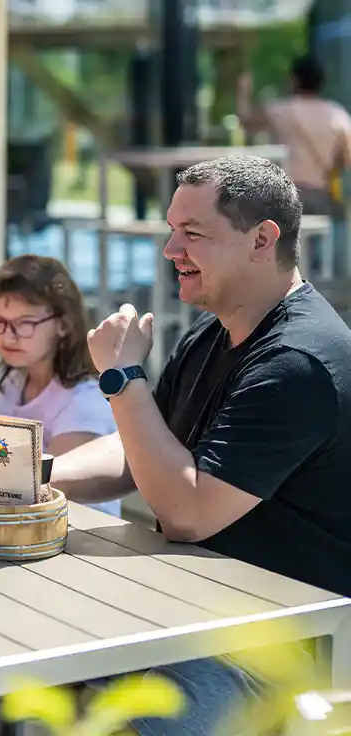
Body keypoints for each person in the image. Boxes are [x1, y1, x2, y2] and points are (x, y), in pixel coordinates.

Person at [53, 155, 351, 735]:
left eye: (192, 233)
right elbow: (144, 450)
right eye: (171, 230)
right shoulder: (215, 331)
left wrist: (122, 378)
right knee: (16, 654)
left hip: (278, 645)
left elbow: (187, 513)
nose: (170, 250)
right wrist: (27, 477)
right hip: (187, 604)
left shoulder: (298, 363)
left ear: (262, 240)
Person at [0, 254, 119, 517]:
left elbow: (51, 494)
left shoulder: (82, 401)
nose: (8, 336)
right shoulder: (12, 383)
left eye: (25, 323)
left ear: (63, 325)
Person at [237, 54, 351, 217]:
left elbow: (245, 121)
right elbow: (347, 160)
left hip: (285, 197)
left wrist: (243, 91)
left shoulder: (280, 110)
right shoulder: (338, 115)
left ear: (294, 80)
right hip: (320, 196)